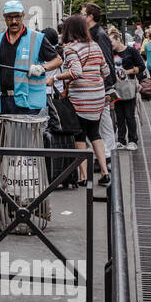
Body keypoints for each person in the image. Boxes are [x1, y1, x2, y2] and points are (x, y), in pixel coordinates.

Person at [59, 14, 112, 186]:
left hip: (81, 99)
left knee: (79, 135)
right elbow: (106, 71)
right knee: (94, 133)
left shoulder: (71, 49)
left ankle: (84, 176)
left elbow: (76, 72)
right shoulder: (95, 46)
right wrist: (94, 81)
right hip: (97, 97)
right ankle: (104, 171)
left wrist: (56, 77)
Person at [0, 0, 61, 116]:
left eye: (17, 17)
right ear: (4, 17)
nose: (13, 21)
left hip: (29, 103)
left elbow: (58, 60)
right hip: (3, 102)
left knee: (25, 134)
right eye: (9, 18)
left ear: (23, 15)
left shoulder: (37, 38)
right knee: (7, 135)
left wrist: (42, 68)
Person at [81, 3, 118, 159]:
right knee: (99, 122)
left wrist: (106, 86)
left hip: (101, 87)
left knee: (103, 122)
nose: (80, 16)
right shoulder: (93, 33)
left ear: (90, 16)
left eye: (83, 14)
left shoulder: (99, 35)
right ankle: (103, 154)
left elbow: (106, 63)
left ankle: (108, 154)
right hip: (97, 86)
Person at [109, 27, 145, 151]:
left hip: (128, 86)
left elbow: (141, 66)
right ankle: (120, 140)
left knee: (129, 114)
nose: (110, 45)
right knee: (118, 115)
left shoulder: (131, 51)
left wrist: (128, 71)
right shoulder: (110, 53)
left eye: (112, 42)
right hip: (114, 88)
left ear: (118, 39)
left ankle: (133, 140)